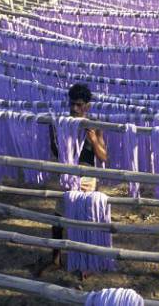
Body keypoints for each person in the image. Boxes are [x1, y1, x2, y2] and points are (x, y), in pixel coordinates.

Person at [38, 83, 108, 278]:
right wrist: (54, 136)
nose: (74, 109)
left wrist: (93, 140)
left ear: (87, 106)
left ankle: (86, 262)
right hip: (68, 177)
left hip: (86, 179)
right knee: (58, 220)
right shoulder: (64, 124)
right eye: (72, 104)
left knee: (85, 221)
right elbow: (57, 152)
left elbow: (103, 157)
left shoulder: (94, 126)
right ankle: (56, 260)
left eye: (78, 105)